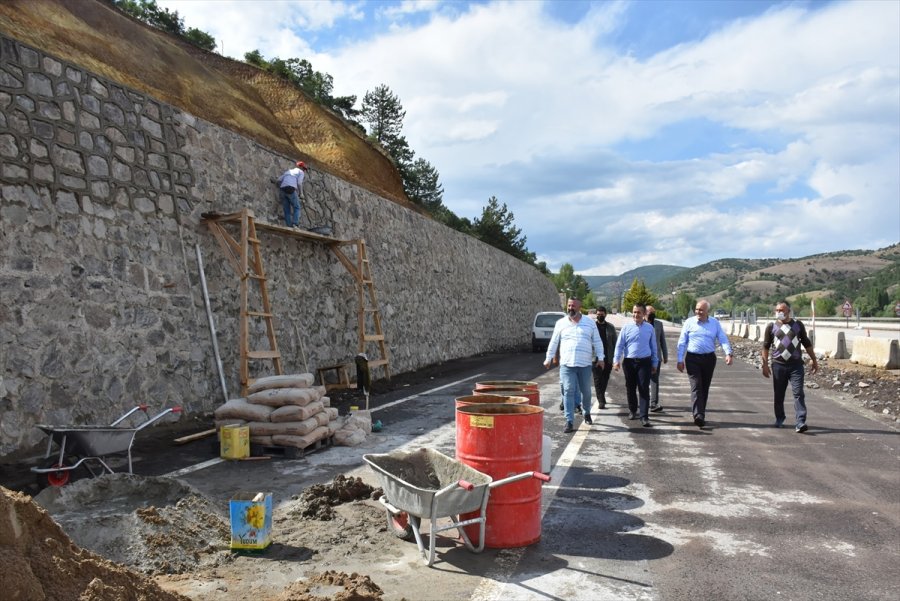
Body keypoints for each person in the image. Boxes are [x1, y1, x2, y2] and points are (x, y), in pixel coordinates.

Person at [544, 298, 605, 433]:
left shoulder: (589, 323)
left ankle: (587, 412)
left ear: (579, 307)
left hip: (584, 364)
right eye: (569, 305)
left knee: (586, 392)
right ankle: (569, 421)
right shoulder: (561, 323)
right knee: (568, 390)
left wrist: (601, 358)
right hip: (567, 364)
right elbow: (554, 342)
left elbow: (597, 341)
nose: (570, 308)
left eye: (573, 306)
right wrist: (548, 358)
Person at [761, 300, 818, 433]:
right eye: (777, 310)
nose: (779, 313)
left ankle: (800, 421)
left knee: (798, 393)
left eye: (782, 310)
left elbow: (806, 343)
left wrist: (814, 359)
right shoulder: (771, 326)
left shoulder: (797, 325)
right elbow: (765, 346)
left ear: (788, 311)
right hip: (778, 366)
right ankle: (779, 418)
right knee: (779, 394)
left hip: (796, 366)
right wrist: (764, 364)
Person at [676, 299, 733, 428]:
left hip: (708, 359)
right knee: (696, 386)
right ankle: (698, 415)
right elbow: (682, 342)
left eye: (701, 310)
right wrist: (679, 359)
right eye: (697, 309)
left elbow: (723, 338)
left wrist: (728, 353)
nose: (698, 312)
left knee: (704, 387)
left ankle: (701, 413)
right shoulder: (689, 323)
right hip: (692, 359)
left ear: (708, 311)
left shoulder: (714, 323)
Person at [613, 303, 658, 427]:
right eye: (634, 312)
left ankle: (644, 416)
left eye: (638, 312)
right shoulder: (626, 328)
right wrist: (616, 361)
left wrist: (655, 362)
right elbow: (619, 345)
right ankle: (633, 410)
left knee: (643, 388)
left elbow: (654, 347)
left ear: (644, 314)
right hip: (629, 362)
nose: (635, 315)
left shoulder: (649, 328)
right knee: (630, 387)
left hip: (644, 362)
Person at [592, 306, 617, 410]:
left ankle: (601, 395)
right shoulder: (592, 326)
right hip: (595, 358)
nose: (599, 316)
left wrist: (616, 358)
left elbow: (615, 343)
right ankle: (601, 400)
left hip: (608, 357)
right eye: (598, 314)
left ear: (605, 314)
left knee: (605, 378)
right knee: (597, 379)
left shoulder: (611, 327)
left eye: (601, 314)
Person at [646, 305, 668, 412]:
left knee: (654, 380)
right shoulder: (641, 324)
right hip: (643, 357)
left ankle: (653, 403)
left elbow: (662, 340)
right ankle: (644, 402)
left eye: (653, 312)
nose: (652, 314)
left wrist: (665, 355)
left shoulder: (659, 324)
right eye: (650, 312)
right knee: (643, 380)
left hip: (656, 357)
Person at [277, 160, 308, 228]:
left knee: (286, 209)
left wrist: (282, 185)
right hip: (290, 189)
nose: (304, 171)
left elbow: (279, 180)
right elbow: (299, 183)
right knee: (297, 207)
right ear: (302, 168)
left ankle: (289, 225)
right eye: (304, 169)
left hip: (282, 189)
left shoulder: (288, 171)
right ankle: (295, 224)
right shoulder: (301, 172)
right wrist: (301, 194)